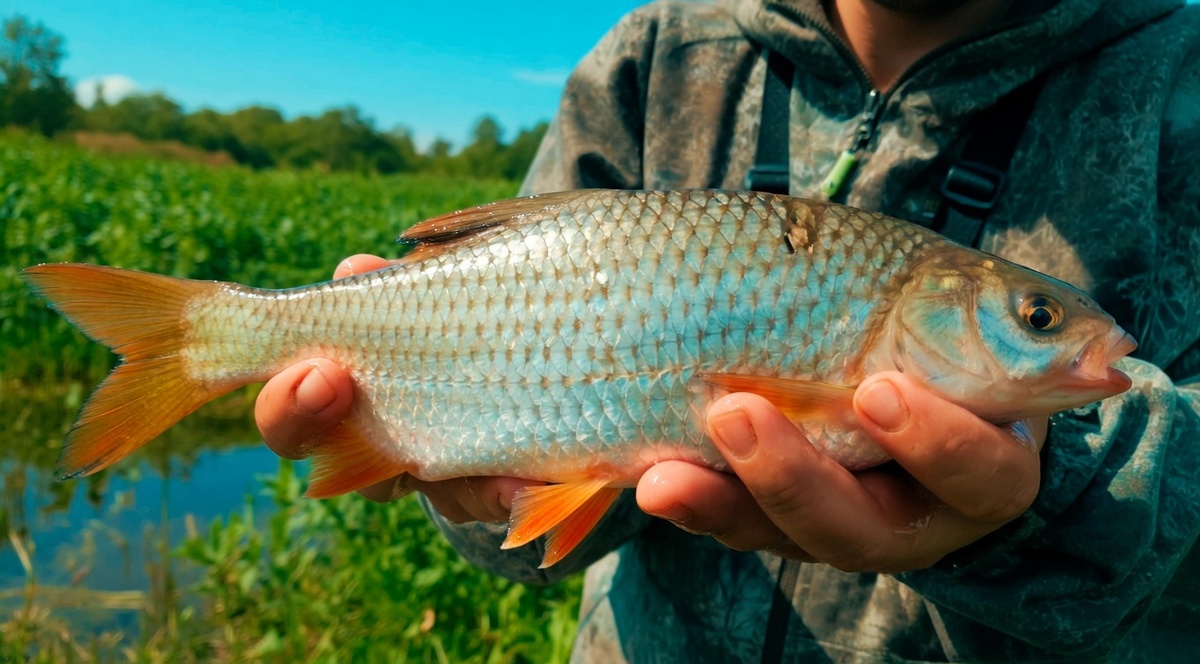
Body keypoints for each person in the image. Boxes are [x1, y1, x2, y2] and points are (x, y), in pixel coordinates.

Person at [255, 0, 1200, 660]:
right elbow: (514, 537)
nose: (1063, 333)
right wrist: (466, 481)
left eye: (1035, 317)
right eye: (1036, 318)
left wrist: (1049, 498)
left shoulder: (1176, 80)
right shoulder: (657, 54)